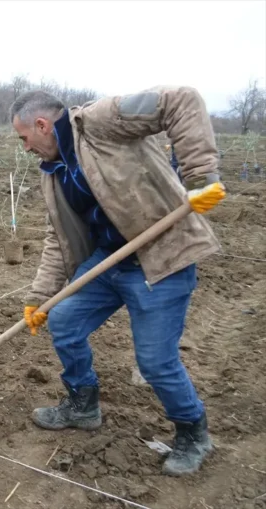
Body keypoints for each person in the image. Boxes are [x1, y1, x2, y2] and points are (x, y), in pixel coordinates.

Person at [11, 87, 226, 476]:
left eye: (24, 138)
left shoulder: (99, 122)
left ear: (42, 125)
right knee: (64, 320)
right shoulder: (54, 172)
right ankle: (83, 405)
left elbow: (181, 100)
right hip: (108, 262)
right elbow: (57, 238)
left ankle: (193, 431)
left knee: (156, 362)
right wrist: (40, 296)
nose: (24, 148)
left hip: (160, 258)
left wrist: (200, 176)